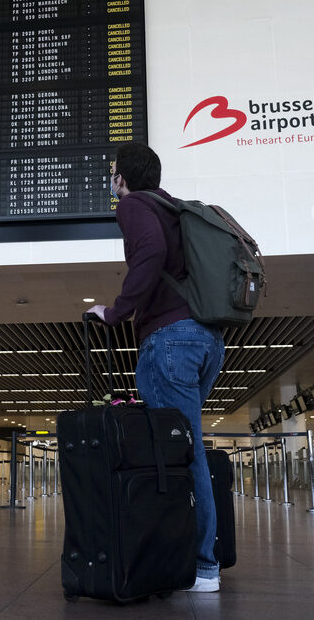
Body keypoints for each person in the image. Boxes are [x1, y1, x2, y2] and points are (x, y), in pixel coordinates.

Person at [86, 141, 225, 593]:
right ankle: (195, 557)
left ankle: (201, 567)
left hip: (171, 340)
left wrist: (116, 311)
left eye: (113, 173)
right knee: (186, 450)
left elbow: (148, 252)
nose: (112, 179)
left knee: (182, 454)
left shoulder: (135, 205)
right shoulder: (174, 208)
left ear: (122, 178)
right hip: (207, 339)